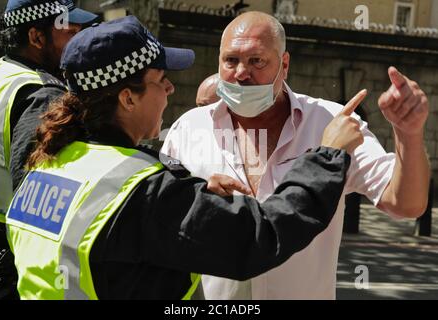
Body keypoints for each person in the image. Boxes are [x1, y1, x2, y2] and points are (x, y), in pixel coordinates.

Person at [5, 15, 363, 300]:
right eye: (161, 79)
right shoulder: (143, 193)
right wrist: (327, 156)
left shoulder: (47, 162)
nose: (171, 89)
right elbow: (258, 239)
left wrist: (191, 190)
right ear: (128, 98)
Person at [161, 11, 430, 299]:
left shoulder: (331, 122)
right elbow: (160, 225)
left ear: (284, 65)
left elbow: (406, 204)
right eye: (231, 60)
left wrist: (409, 134)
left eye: (256, 60)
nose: (241, 72)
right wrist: (199, 198)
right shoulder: (187, 129)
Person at [0, 0, 97, 299]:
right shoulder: (41, 94)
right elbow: (38, 193)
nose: (77, 41)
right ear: (37, 38)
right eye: (69, 32)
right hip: (5, 247)